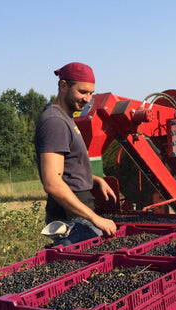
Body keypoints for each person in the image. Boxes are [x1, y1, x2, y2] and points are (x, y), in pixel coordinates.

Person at [35, 62, 117, 246]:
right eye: (82, 92)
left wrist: (96, 180)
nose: (88, 99)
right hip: (71, 220)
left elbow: (68, 169)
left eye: (91, 93)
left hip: (78, 215)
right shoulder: (55, 121)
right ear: (63, 86)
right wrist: (95, 219)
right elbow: (52, 183)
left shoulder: (66, 117)